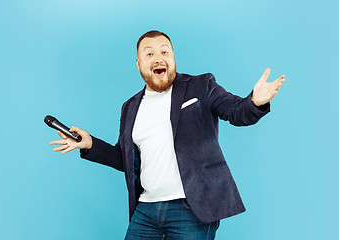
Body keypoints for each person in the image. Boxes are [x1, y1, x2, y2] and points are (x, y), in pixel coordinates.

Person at [50, 30, 285, 239]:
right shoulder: (130, 107)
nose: (158, 57)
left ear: (173, 58)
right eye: (149, 54)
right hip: (146, 209)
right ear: (139, 63)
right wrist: (90, 144)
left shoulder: (200, 86)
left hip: (191, 210)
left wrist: (254, 101)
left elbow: (235, 111)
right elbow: (126, 160)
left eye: (164, 51)